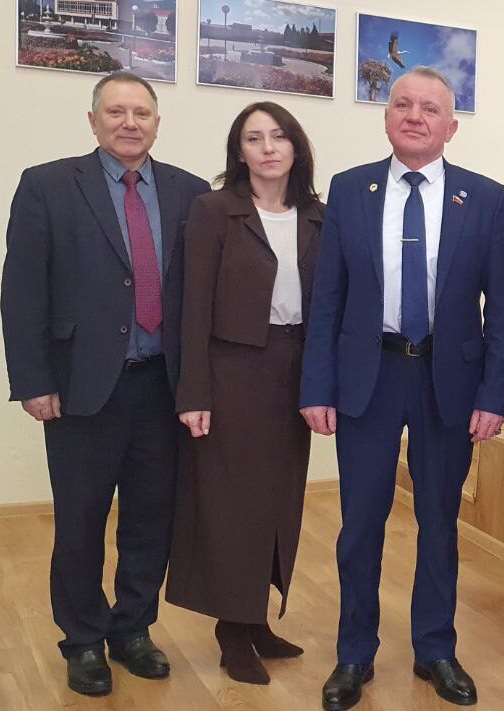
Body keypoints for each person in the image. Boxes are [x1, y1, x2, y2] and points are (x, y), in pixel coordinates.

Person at [299, 66, 504, 711]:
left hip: (448, 379)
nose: (415, 116)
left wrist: (493, 394)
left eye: (430, 108)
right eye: (403, 105)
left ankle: (436, 649)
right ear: (387, 116)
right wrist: (317, 385)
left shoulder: (485, 197)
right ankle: (353, 654)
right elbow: (328, 298)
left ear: (451, 127)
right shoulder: (350, 189)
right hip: (369, 376)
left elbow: (503, 309)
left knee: (439, 521)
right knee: (360, 524)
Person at [0, 72, 210, 697]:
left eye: (141, 113)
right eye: (116, 112)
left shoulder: (190, 192)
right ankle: (84, 639)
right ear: (92, 121)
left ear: (157, 124)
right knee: (81, 520)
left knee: (151, 518)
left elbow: (201, 296)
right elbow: (22, 291)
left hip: (162, 387)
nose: (129, 123)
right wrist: (33, 380)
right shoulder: (47, 185)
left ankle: (133, 629)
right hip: (82, 387)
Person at [165, 101, 324, 685]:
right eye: (254, 138)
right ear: (239, 151)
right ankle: (231, 631)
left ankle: (257, 617)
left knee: (279, 499)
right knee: (231, 503)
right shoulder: (214, 211)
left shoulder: (318, 216)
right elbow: (192, 306)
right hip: (231, 372)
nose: (268, 148)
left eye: (278, 136)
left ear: (296, 146)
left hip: (296, 368)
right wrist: (193, 391)